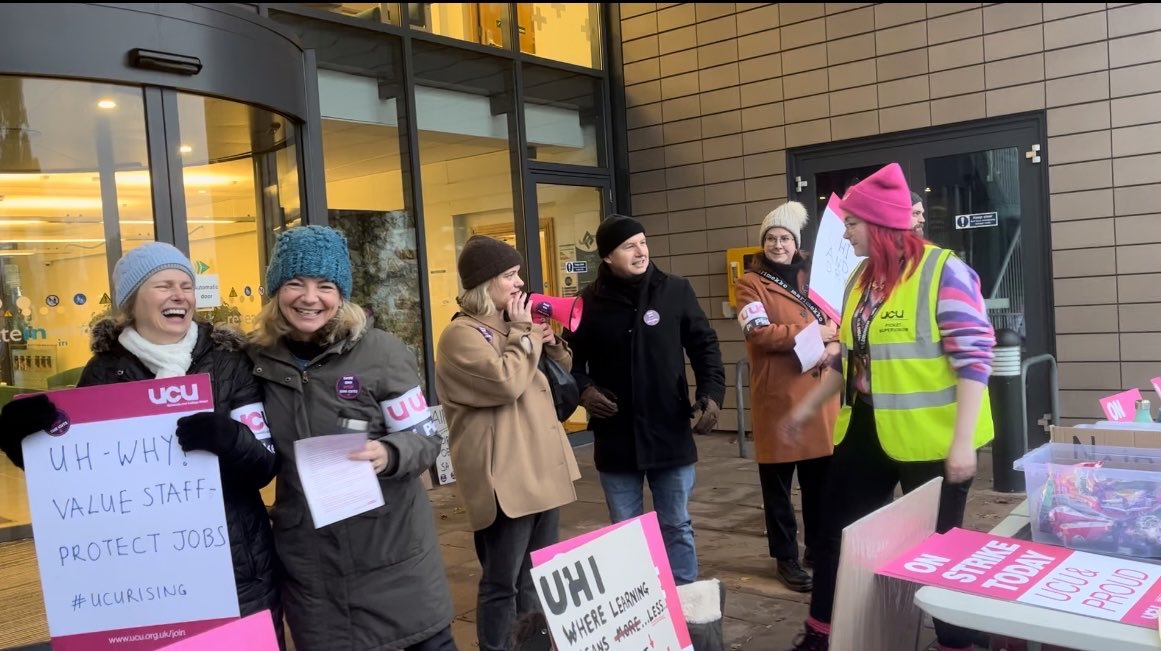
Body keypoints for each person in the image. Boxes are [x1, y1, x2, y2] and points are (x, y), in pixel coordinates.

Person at [0, 242, 283, 640]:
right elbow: (72, 474)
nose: (179, 295)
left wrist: (231, 438)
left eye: (186, 285)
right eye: (164, 285)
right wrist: (21, 439)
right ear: (132, 302)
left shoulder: (229, 362)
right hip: (141, 576)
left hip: (234, 569)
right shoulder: (104, 371)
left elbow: (264, 465)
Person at [781, 163, 995, 651]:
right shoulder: (860, 279)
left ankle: (956, 641)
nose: (845, 232)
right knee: (838, 533)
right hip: (867, 429)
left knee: (940, 549)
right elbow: (851, 359)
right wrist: (806, 409)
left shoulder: (945, 272)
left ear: (877, 226)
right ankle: (822, 633)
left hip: (932, 438)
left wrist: (962, 445)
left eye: (851, 224)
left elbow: (975, 361)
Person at [248, 225, 455, 651]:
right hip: (314, 570)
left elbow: (426, 438)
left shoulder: (381, 352)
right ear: (275, 291)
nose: (310, 298)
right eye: (294, 283)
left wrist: (390, 452)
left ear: (341, 294)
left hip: (393, 560)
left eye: (325, 285)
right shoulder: (255, 360)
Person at [434, 235, 581, 651]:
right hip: (505, 478)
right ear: (484, 284)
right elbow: (505, 382)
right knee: (503, 582)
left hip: (539, 467)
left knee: (535, 576)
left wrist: (551, 343)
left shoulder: (512, 326)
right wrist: (525, 335)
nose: (519, 283)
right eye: (509, 276)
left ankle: (532, 645)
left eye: (518, 274)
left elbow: (559, 371)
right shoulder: (460, 336)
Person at [564, 214, 725, 586]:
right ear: (607, 256)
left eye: (642, 242)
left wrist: (711, 395)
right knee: (626, 530)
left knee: (677, 525)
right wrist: (584, 390)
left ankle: (686, 603)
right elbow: (568, 363)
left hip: (669, 430)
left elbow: (705, 346)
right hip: (616, 436)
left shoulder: (675, 290)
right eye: (628, 246)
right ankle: (640, 603)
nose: (641, 251)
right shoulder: (586, 303)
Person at [734, 201, 838, 593]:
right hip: (778, 398)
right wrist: (814, 331)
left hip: (819, 396)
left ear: (796, 244)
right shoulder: (750, 283)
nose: (778, 245)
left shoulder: (816, 277)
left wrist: (832, 335)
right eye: (772, 239)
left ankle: (817, 549)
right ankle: (786, 558)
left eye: (785, 238)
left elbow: (837, 319)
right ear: (763, 244)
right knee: (777, 489)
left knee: (819, 484)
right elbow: (759, 333)